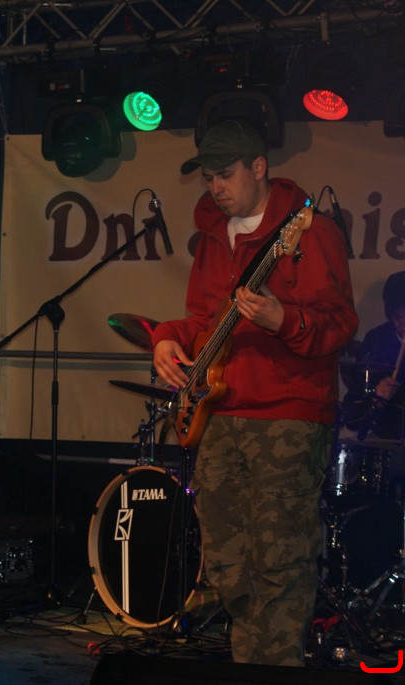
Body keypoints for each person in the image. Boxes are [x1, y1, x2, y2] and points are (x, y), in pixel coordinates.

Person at [151, 120, 358, 666]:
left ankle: (279, 668)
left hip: (288, 414)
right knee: (226, 561)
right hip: (221, 412)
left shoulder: (309, 232)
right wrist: (167, 339)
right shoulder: (213, 238)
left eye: (225, 174)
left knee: (281, 558)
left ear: (259, 167)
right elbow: (204, 321)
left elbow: (339, 323)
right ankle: (249, 665)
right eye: (208, 177)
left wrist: (282, 320)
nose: (215, 187)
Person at [340, 271, 405, 440]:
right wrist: (376, 400)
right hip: (385, 438)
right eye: (398, 317)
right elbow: (353, 414)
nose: (403, 323)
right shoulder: (377, 339)